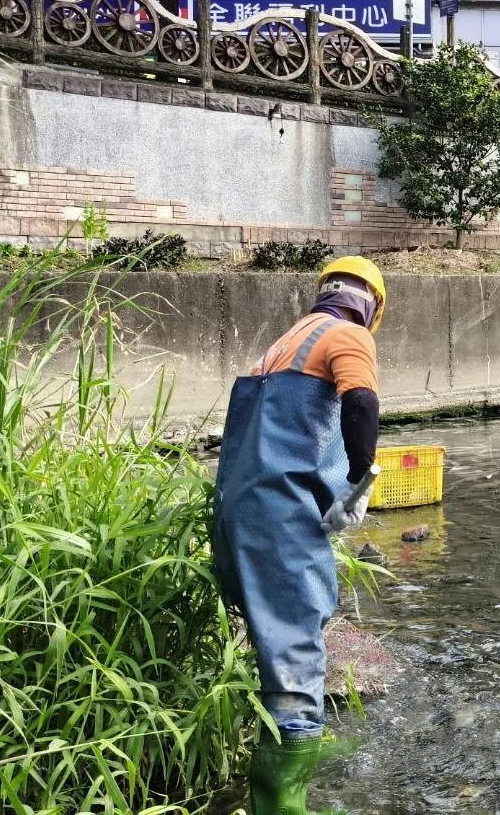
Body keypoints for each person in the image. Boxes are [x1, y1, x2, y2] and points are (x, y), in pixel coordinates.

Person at [211, 256, 386, 815]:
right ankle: (284, 806)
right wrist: (359, 480)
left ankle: (267, 785)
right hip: (280, 520)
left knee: (272, 650)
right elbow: (360, 400)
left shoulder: (282, 343)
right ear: (371, 305)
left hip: (238, 513)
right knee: (296, 660)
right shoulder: (348, 335)